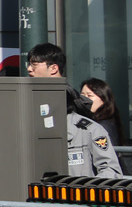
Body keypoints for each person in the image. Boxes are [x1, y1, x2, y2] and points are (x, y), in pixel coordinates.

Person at [27, 43, 123, 175]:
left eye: (34, 64)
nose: (29, 69)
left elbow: (110, 170)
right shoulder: (26, 117)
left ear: (53, 68)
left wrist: (85, 191)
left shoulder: (86, 127)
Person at [80, 77, 124, 146]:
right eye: (82, 95)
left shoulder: (103, 126)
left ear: (103, 99)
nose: (84, 99)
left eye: (89, 95)